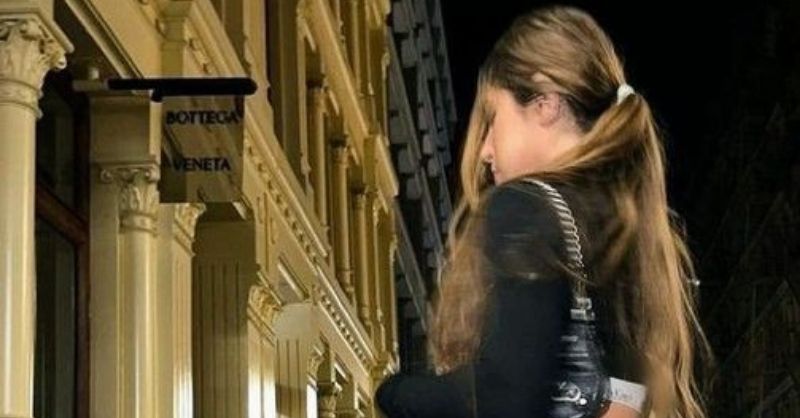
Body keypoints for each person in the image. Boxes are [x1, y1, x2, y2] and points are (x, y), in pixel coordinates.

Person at [375, 5, 715, 418]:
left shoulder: (526, 206)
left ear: (545, 103)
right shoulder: (629, 229)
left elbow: (509, 396)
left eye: (492, 118)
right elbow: (621, 396)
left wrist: (394, 392)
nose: (484, 151)